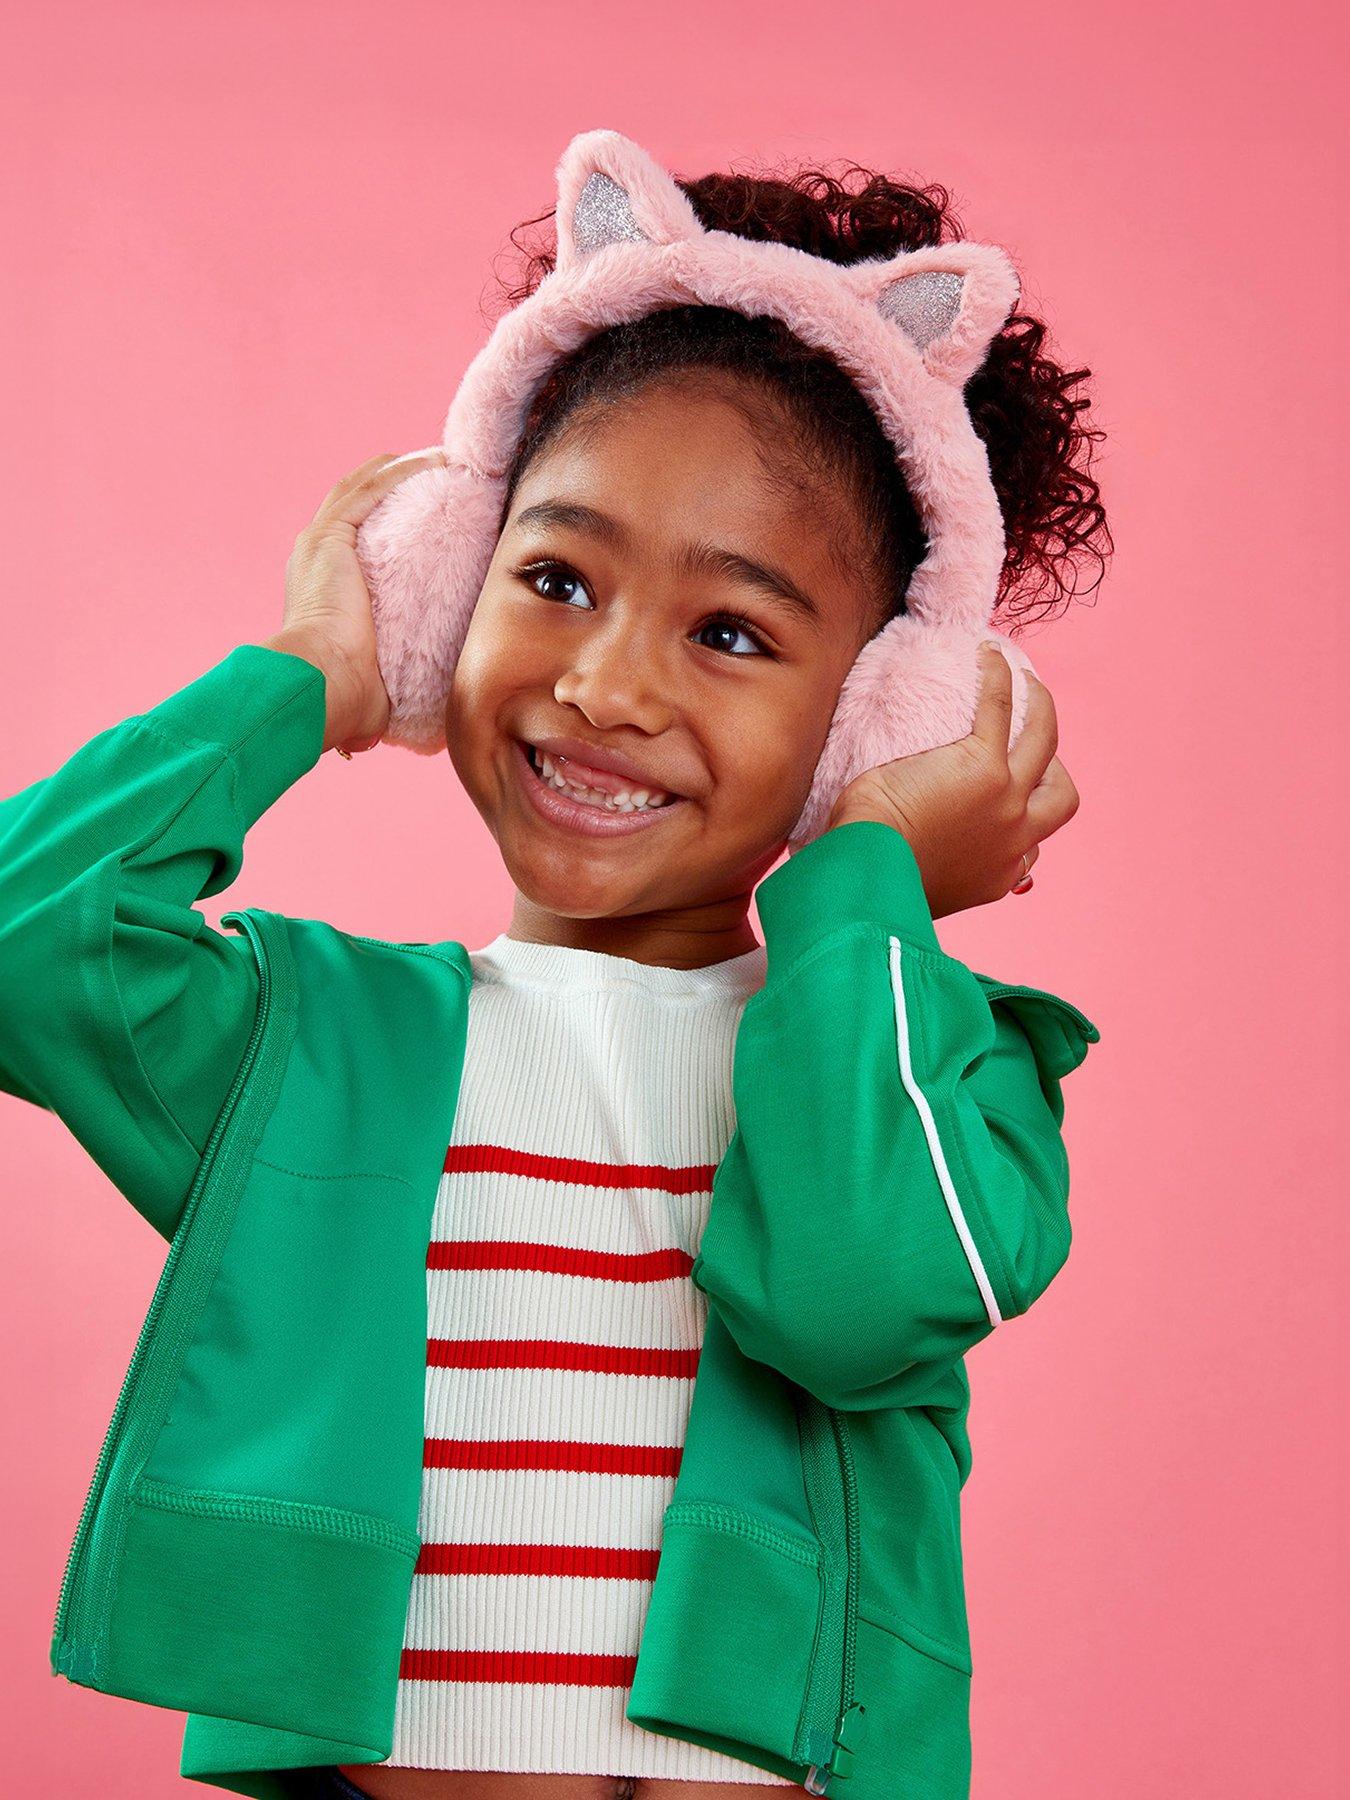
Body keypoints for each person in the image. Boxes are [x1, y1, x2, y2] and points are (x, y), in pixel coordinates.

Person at [0, 146, 1108, 1800]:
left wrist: (866, 878)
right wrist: (310, 673)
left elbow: (851, 1299)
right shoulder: (320, 1055)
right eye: (553, 579)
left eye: (729, 632)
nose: (603, 685)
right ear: (450, 583)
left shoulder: (935, 1062)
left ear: (886, 711)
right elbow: (30, 941)